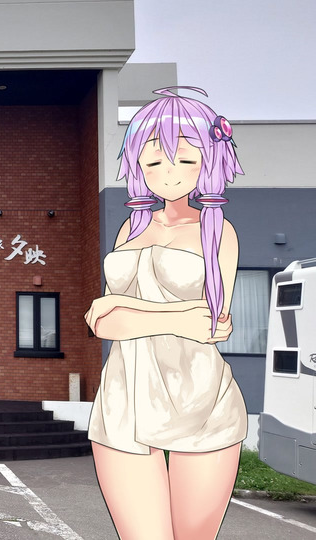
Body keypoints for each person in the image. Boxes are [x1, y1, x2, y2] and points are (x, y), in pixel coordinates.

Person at [84, 87, 247, 539]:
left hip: (202, 399)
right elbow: (102, 323)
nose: (168, 173)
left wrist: (122, 306)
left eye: (186, 159)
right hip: (124, 401)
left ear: (209, 160)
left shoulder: (218, 232)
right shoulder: (131, 227)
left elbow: (212, 325)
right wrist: (173, 315)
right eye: (154, 162)